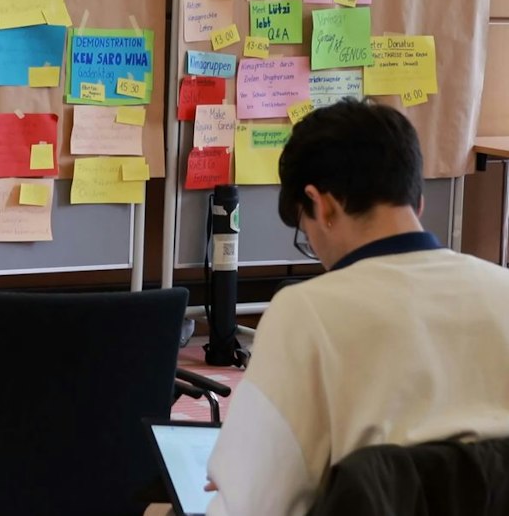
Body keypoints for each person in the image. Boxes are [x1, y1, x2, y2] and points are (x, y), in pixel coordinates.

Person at [205, 99, 509, 515]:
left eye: (305, 231)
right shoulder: (503, 289)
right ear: (416, 202)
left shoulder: (307, 313)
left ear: (323, 204)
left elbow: (254, 505)